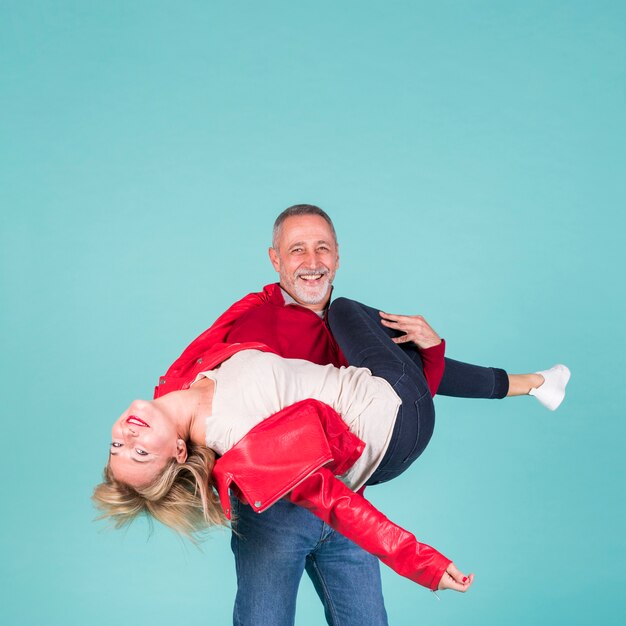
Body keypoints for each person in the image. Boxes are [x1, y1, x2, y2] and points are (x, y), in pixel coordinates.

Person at [97, 205, 570, 626]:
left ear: (338, 257)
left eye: (321, 249)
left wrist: (437, 357)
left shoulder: (176, 383)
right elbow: (397, 405)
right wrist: (421, 561)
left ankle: (533, 383)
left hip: (346, 492)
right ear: (275, 259)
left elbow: (388, 401)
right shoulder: (262, 335)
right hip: (281, 507)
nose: (312, 261)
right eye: (296, 250)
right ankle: (532, 383)